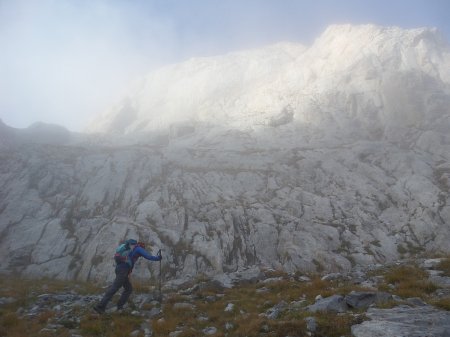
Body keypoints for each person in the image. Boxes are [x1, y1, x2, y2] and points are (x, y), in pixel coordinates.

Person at [94, 239, 162, 314]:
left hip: (120, 269)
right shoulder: (138, 248)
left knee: (128, 289)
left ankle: (119, 306)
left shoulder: (129, 248)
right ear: (141, 246)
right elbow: (148, 256)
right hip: (123, 270)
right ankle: (100, 306)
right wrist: (158, 258)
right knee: (115, 287)